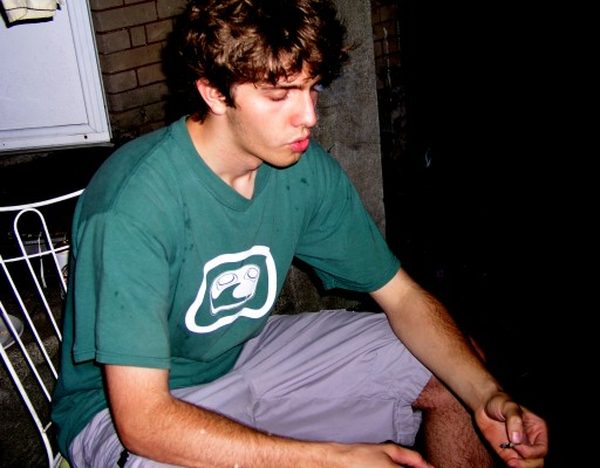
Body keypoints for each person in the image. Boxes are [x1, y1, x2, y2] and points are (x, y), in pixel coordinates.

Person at [51, 0, 548, 466]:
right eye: (278, 95)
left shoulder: (301, 170)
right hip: (125, 408)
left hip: (244, 354)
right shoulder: (134, 205)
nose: (309, 116)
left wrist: (488, 395)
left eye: (313, 88)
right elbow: (143, 422)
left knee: (456, 371)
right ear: (214, 93)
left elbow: (401, 297)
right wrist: (333, 456)